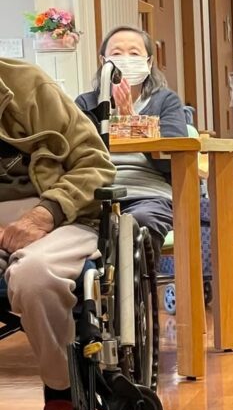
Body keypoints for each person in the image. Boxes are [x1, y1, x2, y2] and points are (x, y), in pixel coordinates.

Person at [0, 57, 115, 410]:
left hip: (59, 216)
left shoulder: (29, 86)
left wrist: (44, 213)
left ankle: (61, 396)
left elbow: (96, 165)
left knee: (35, 276)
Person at [75, 26, 188, 260]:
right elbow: (77, 151)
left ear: (149, 62)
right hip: (97, 192)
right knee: (74, 229)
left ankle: (139, 284)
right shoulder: (86, 103)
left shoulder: (165, 101)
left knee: (141, 224)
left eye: (134, 53)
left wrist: (131, 121)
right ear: (103, 61)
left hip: (148, 192)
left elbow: (172, 156)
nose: (125, 59)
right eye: (117, 53)